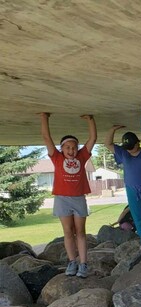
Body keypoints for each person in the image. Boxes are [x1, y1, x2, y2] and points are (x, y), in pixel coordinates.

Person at [40, 112, 96, 278]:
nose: (71, 151)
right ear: (61, 148)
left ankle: (83, 264)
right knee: (67, 231)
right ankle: (72, 262)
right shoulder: (56, 158)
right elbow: (46, 138)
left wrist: (90, 120)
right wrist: (44, 118)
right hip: (62, 199)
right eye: (68, 148)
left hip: (79, 198)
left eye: (74, 147)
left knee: (80, 232)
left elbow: (92, 139)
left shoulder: (82, 156)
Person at [105, 126, 141, 250]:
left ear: (138, 143)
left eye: (132, 146)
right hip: (132, 190)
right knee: (138, 217)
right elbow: (108, 144)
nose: (130, 150)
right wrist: (113, 129)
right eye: (128, 147)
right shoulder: (123, 153)